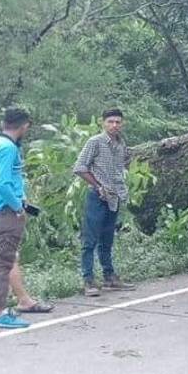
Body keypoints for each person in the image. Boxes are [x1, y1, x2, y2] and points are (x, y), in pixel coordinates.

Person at [0, 164, 52, 316]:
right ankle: (22, 300)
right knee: (9, 259)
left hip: (7, 220)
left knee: (0, 260)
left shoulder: (10, 170)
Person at [0, 108, 34, 329]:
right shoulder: (9, 148)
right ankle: (0, 313)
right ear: (24, 126)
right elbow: (3, 183)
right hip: (6, 212)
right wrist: (18, 206)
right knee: (4, 262)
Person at [73, 108, 135, 297]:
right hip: (98, 196)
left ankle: (109, 277)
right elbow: (80, 167)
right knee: (89, 239)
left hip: (114, 197)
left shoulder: (120, 144)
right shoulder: (96, 142)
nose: (114, 125)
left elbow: (121, 168)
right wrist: (98, 185)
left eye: (117, 122)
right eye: (111, 122)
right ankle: (88, 279)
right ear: (103, 123)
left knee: (107, 239)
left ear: (122, 123)